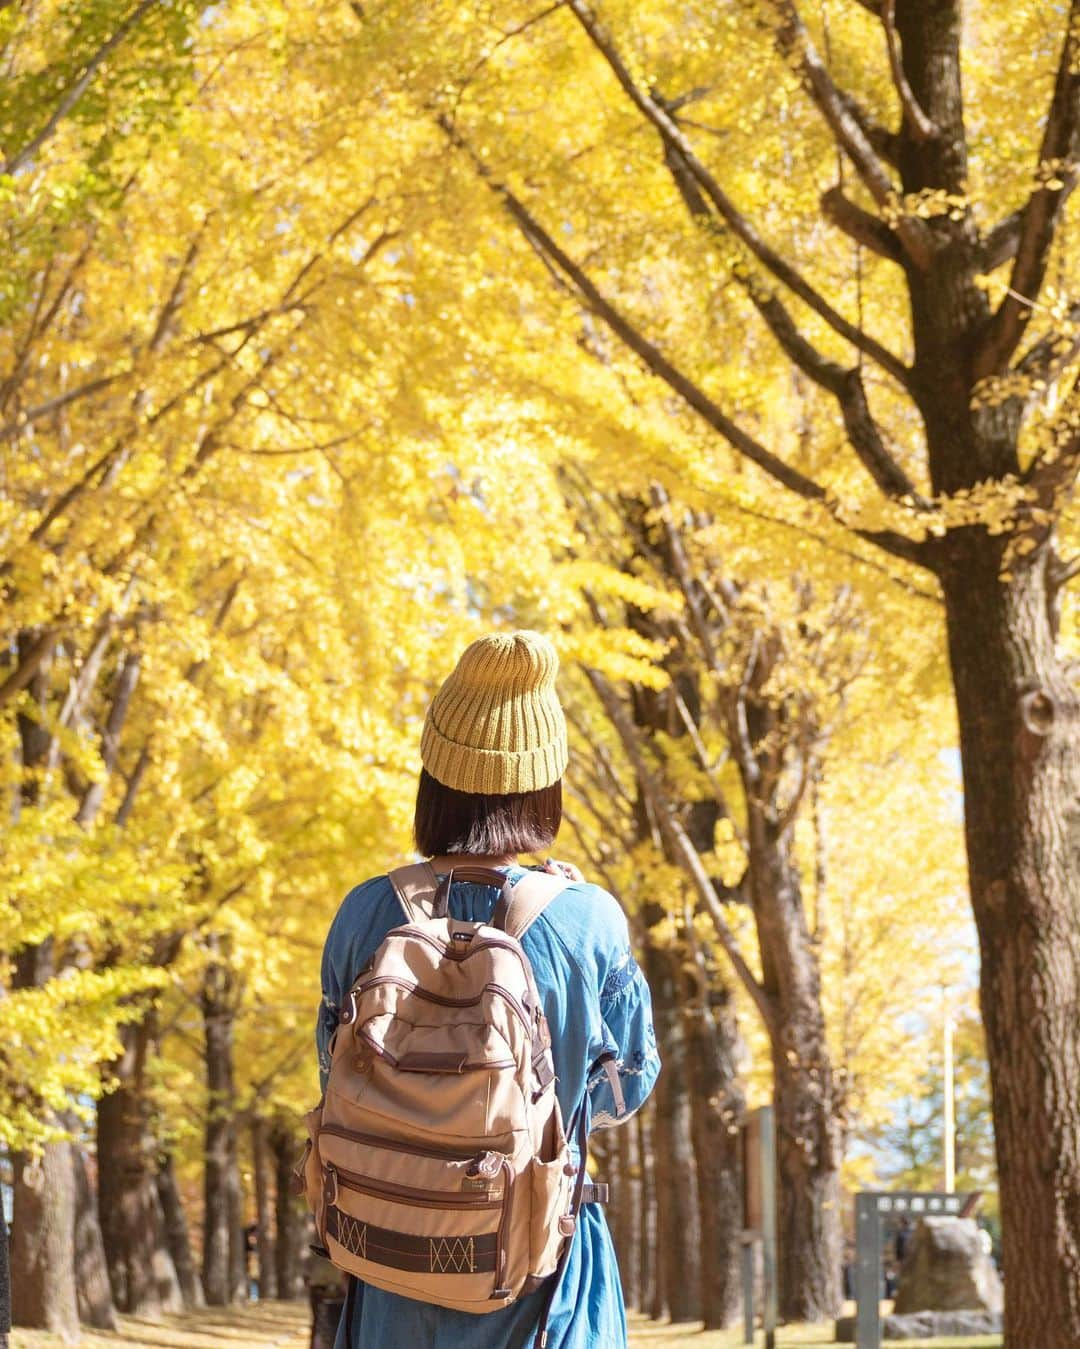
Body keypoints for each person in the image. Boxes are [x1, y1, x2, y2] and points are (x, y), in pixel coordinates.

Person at [316, 631, 660, 1349]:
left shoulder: (364, 912)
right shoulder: (587, 918)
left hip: (390, 1263)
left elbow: (334, 1068)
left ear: (433, 779)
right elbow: (628, 1085)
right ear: (545, 785)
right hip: (540, 1273)